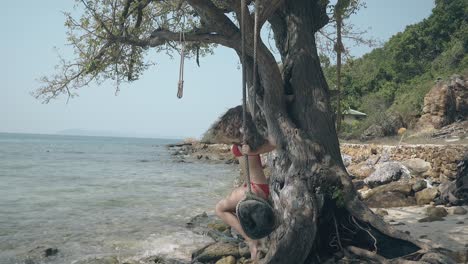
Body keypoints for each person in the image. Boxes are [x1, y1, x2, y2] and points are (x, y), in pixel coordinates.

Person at [211, 107, 275, 261]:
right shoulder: (244, 141)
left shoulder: (250, 143)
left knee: (220, 209)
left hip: (256, 188)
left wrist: (253, 151)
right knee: (224, 208)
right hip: (252, 187)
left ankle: (251, 241)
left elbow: (276, 143)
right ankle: (254, 241)